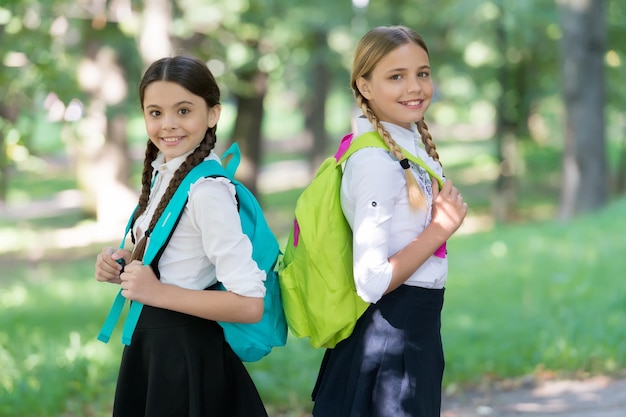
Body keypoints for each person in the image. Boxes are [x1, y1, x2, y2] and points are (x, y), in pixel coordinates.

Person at [94, 55, 269, 417]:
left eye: (184, 110)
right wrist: (123, 262)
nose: (168, 125)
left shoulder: (206, 191)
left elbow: (250, 304)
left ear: (213, 114)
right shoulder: (167, 174)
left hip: (186, 359)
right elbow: (173, 260)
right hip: (154, 350)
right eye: (155, 113)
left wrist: (156, 292)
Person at [311, 26, 468, 417]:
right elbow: (372, 280)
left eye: (422, 73)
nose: (414, 87)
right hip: (388, 341)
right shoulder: (375, 162)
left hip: (411, 334)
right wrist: (440, 230)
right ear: (364, 86)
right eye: (396, 76)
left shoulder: (401, 147)